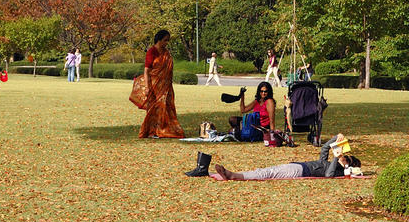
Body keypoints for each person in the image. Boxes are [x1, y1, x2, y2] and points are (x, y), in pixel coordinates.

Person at [214, 134, 361, 180]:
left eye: (345, 158)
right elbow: (324, 148)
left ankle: (232, 175)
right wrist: (336, 138)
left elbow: (329, 175)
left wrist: (337, 158)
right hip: (297, 166)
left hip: (299, 171)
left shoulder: (336, 170)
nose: (343, 157)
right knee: (265, 171)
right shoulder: (326, 162)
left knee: (267, 173)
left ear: (347, 164)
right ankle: (235, 174)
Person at [139, 30, 185, 139]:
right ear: (159, 40)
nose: (166, 43)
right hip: (154, 86)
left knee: (167, 107)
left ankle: (165, 129)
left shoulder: (166, 53)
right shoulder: (152, 52)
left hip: (166, 87)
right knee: (155, 108)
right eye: (165, 40)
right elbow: (147, 71)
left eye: (168, 41)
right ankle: (152, 131)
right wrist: (147, 87)